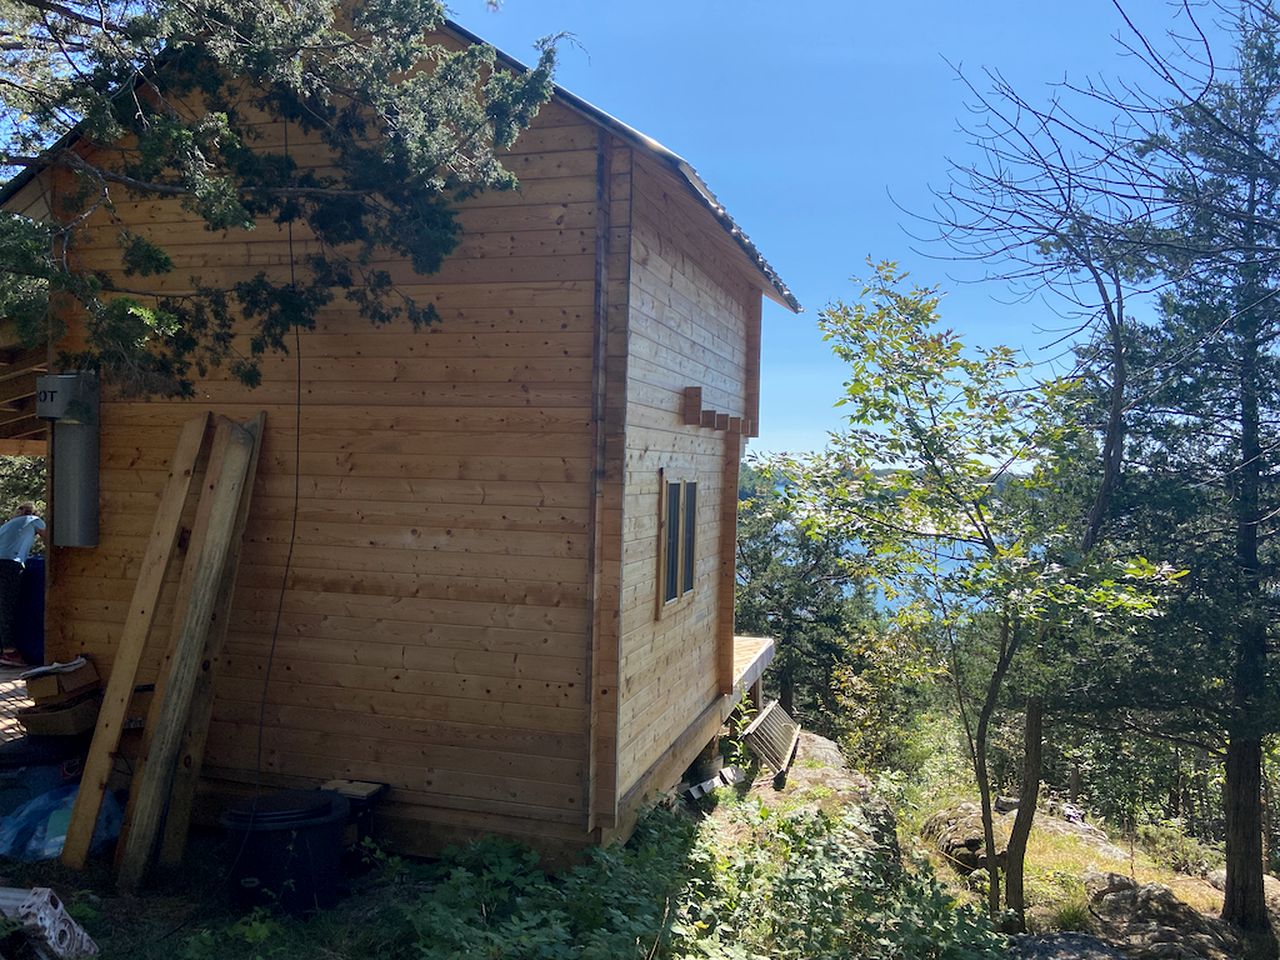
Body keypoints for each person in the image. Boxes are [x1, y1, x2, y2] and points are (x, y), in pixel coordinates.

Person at [0, 503, 44, 667]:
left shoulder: (6, 526)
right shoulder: (34, 520)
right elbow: (50, 539)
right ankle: (10, 652)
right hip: (10, 564)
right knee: (8, 607)